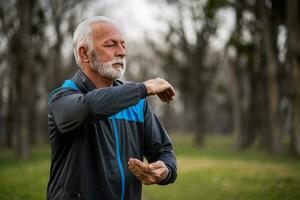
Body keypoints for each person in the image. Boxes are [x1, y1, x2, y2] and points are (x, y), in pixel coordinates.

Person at [46, 16, 177, 200]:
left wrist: (165, 170)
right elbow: (89, 107)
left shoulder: (137, 103)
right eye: (111, 45)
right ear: (85, 53)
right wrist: (144, 88)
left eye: (123, 45)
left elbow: (163, 150)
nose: (122, 52)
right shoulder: (62, 98)